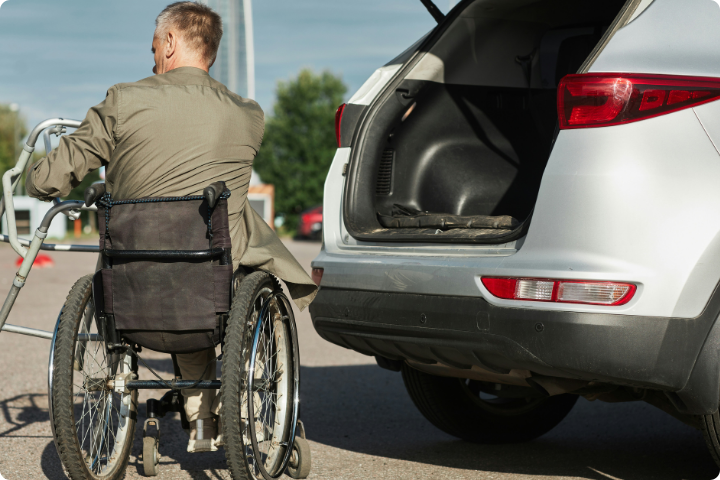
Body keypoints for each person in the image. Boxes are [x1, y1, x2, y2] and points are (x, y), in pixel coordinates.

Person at [25, 1, 317, 453]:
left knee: (170, 268)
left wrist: (37, 179)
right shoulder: (248, 115)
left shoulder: (123, 100)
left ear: (171, 41)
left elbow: (47, 179)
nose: (152, 58)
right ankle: (207, 417)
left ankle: (174, 407)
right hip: (209, 284)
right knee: (211, 256)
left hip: (129, 284)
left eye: (154, 47)